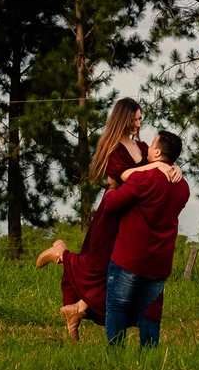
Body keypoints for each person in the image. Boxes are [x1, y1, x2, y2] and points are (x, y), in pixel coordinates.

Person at [34, 98, 180, 339]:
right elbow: (123, 174)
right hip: (113, 210)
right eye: (133, 119)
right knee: (100, 267)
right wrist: (157, 168)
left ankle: (77, 310)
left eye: (140, 118)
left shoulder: (142, 146)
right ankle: (61, 253)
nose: (137, 123)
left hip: (132, 213)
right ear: (122, 118)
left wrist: (173, 167)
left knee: (118, 274)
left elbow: (158, 162)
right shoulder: (110, 144)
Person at [102, 129, 189, 349]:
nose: (147, 148)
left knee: (117, 307)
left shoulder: (144, 178)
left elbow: (111, 205)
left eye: (151, 144)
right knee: (150, 313)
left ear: (157, 152)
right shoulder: (183, 186)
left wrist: (111, 187)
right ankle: (150, 358)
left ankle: (116, 357)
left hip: (129, 258)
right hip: (159, 262)